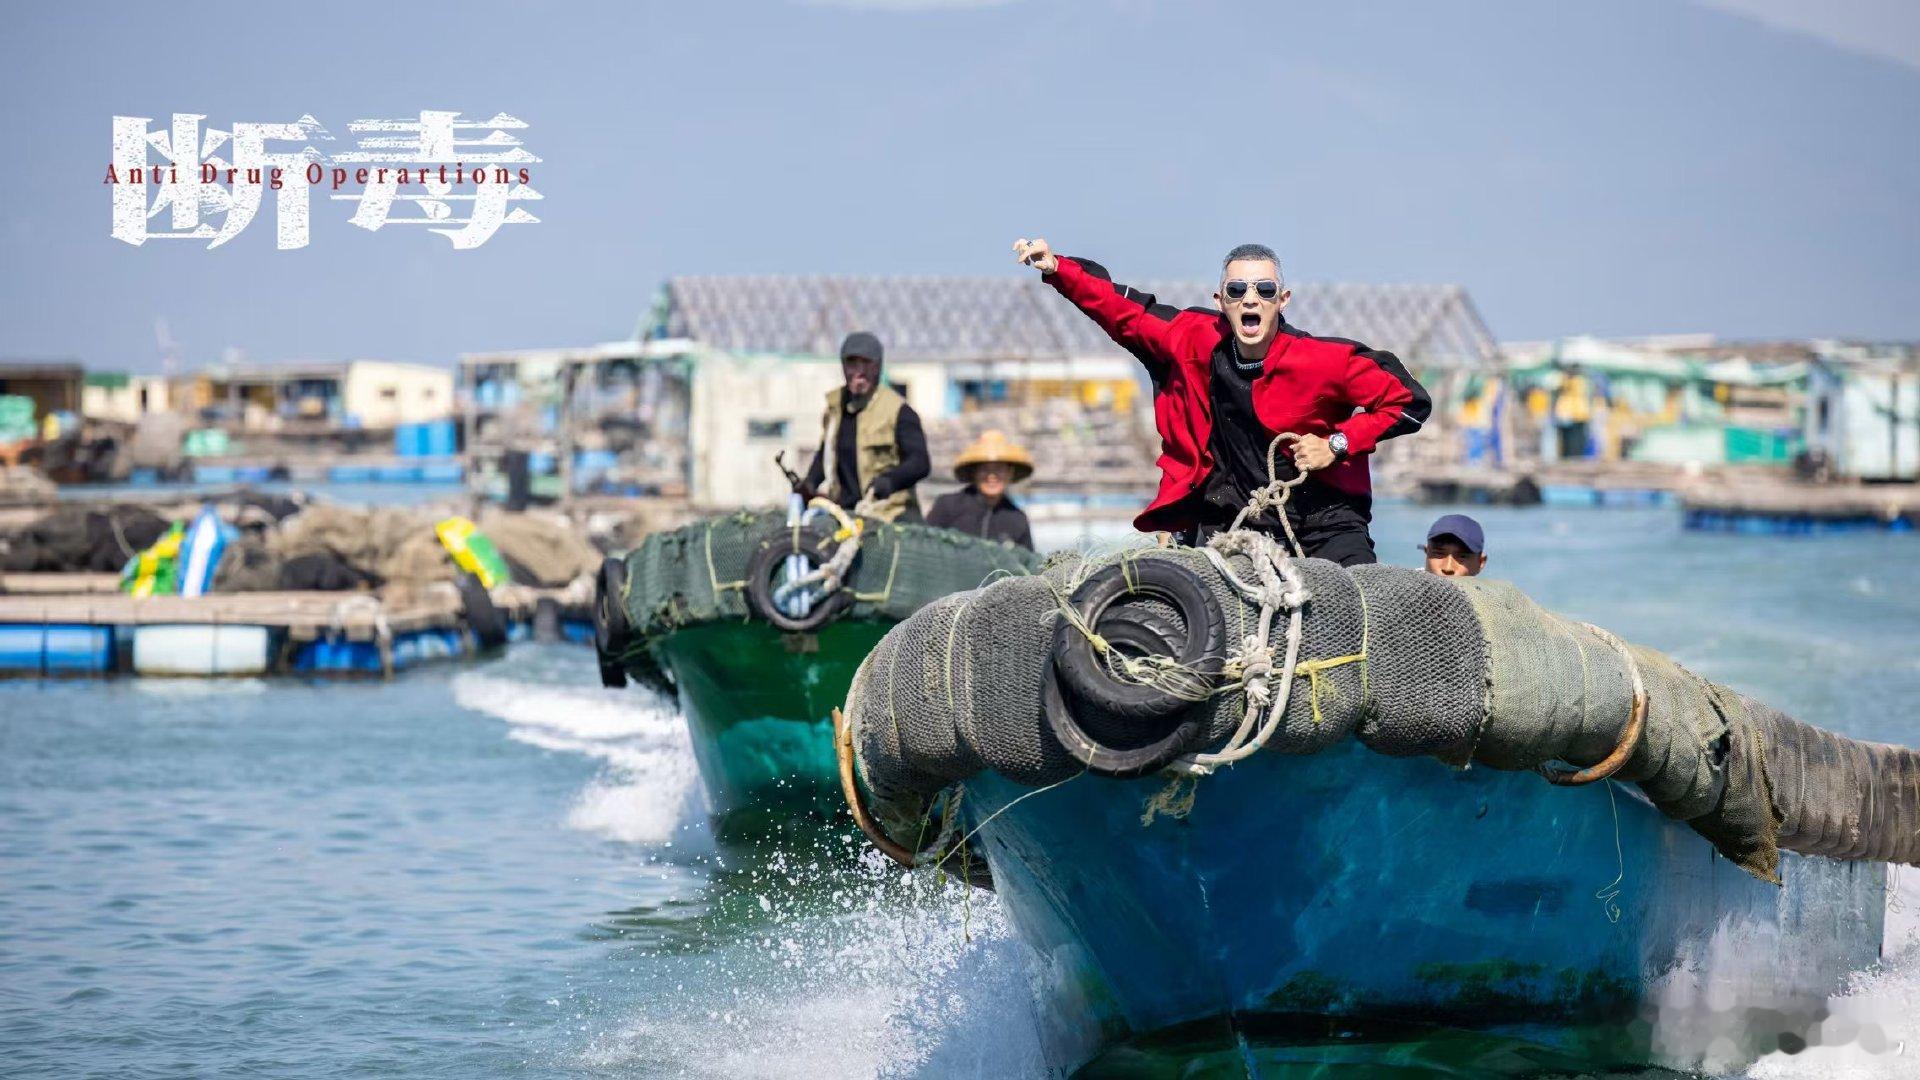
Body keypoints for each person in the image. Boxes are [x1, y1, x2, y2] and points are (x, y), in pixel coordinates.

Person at [1014, 237, 1430, 566]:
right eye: (1237, 289)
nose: (1251, 298)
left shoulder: (1324, 360)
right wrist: (1058, 269)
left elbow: (1408, 402)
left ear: (1282, 301)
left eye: (1264, 289)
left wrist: (1336, 445)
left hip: (1325, 522)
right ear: (1221, 301)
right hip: (1226, 519)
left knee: (1363, 616)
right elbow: (1121, 311)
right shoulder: (1189, 338)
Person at [800, 331, 929, 522]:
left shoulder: (898, 411)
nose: (859, 372)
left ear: (878, 367)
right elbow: (826, 454)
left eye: (867, 364)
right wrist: (810, 483)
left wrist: (890, 481)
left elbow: (920, 462)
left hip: (889, 516)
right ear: (843, 367)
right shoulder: (835, 409)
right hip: (845, 516)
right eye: (852, 364)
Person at [927, 429, 1035, 549]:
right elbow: (925, 546)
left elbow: (1027, 563)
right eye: (985, 469)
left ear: (1010, 473)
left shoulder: (1017, 519)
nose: (992, 476)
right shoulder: (947, 506)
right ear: (974, 472)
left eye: (999, 469)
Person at [1421, 513, 1487, 577]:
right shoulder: (1411, 583)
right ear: (1427, 553)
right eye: (1438, 553)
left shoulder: (1489, 587)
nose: (1448, 568)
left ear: (1481, 562)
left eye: (1462, 556)